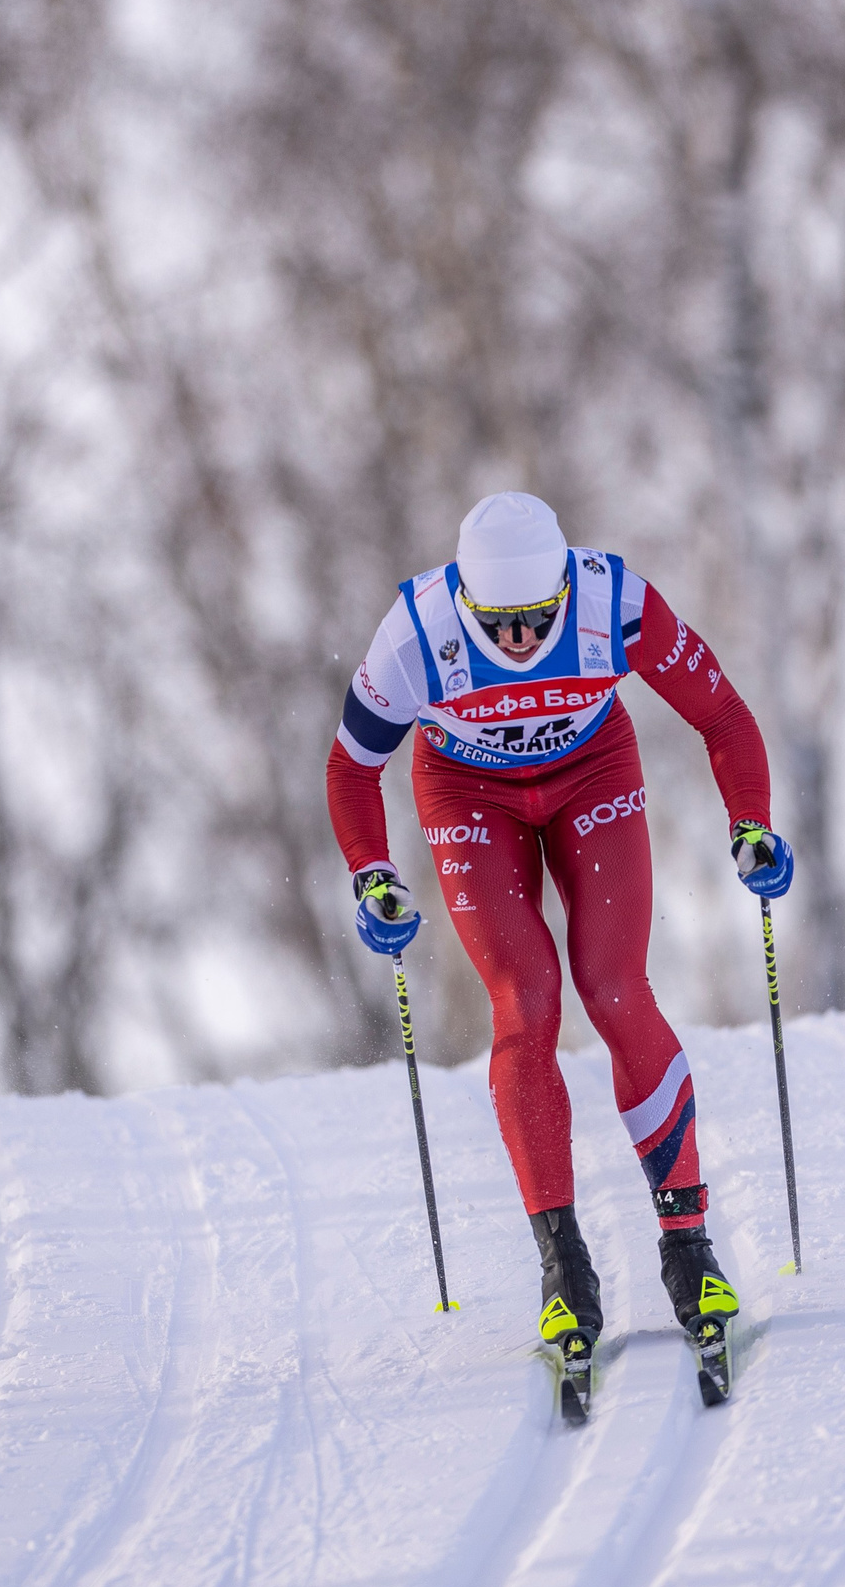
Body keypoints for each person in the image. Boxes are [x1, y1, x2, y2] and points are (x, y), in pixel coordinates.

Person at [325, 490, 794, 1373]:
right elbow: (353, 764)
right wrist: (372, 874)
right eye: (495, 624)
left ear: (562, 593)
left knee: (614, 989)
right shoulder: (417, 632)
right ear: (464, 599)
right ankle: (563, 1265)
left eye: (534, 620)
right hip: (469, 794)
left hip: (591, 774)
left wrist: (751, 821)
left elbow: (721, 713)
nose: (514, 642)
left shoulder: (614, 601)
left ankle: (689, 1248)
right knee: (524, 1002)